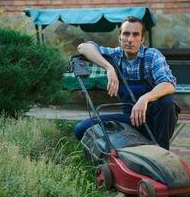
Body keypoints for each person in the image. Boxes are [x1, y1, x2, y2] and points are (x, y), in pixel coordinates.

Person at [74, 16, 180, 150]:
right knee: (81, 128)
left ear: (142, 39)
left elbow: (168, 84)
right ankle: (110, 160)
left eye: (135, 34)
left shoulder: (152, 56)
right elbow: (83, 47)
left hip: (155, 122)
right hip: (130, 120)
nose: (130, 39)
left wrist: (145, 98)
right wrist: (109, 67)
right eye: (126, 34)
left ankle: (162, 151)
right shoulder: (115, 56)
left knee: (167, 101)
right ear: (120, 38)